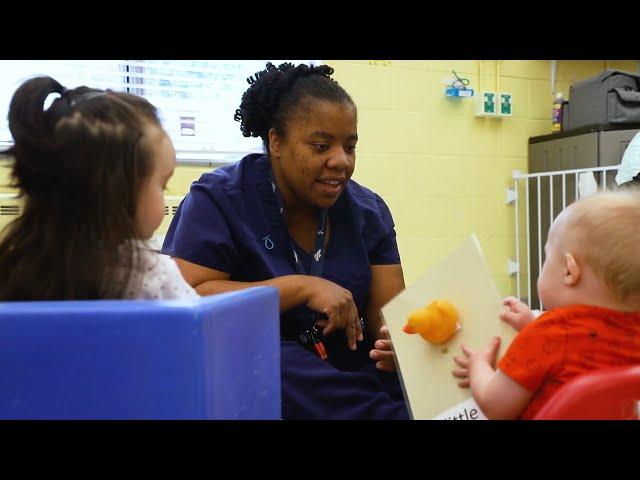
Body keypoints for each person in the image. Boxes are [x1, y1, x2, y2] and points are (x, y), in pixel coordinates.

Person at [162, 62, 409, 419]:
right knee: (266, 358)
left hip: (351, 374)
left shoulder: (368, 212)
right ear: (275, 141)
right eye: (321, 145)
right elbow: (185, 301)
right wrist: (299, 287)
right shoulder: (220, 199)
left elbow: (390, 320)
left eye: (350, 146)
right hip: (268, 371)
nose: (341, 161)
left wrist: (399, 346)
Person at [0, 76, 198, 301]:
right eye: (163, 185)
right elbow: (197, 331)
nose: (164, 195)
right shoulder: (152, 275)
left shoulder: (15, 266)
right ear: (117, 194)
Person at [452, 190, 640, 419]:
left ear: (568, 270)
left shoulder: (549, 333)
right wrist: (531, 323)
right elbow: (583, 344)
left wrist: (478, 367)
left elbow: (495, 405)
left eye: (547, 257)